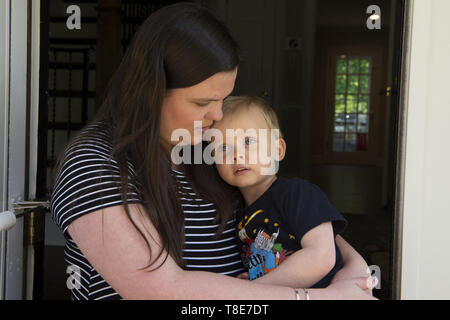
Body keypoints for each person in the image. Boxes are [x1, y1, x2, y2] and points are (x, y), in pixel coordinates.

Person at [50, 2, 377, 300]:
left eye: (223, 99)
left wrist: (351, 266)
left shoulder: (209, 150)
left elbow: (299, 221)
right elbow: (161, 290)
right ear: (150, 92)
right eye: (202, 102)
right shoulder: (94, 164)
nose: (218, 116)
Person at [212, 95, 349, 289]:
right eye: (223, 147)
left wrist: (255, 288)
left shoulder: (299, 194)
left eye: (249, 141)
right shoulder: (237, 213)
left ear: (278, 150)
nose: (237, 154)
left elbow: (322, 257)